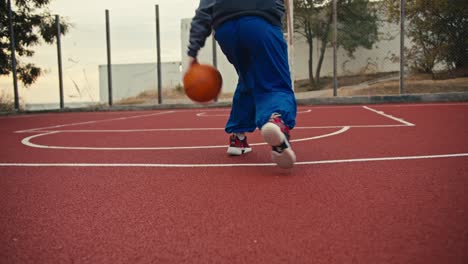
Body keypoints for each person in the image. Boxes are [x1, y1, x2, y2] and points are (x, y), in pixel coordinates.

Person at [187, 0, 297, 169]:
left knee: (249, 77)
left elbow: (205, 9)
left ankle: (238, 137)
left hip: (226, 30)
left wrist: (193, 50)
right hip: (260, 21)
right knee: (275, 81)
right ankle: (276, 120)